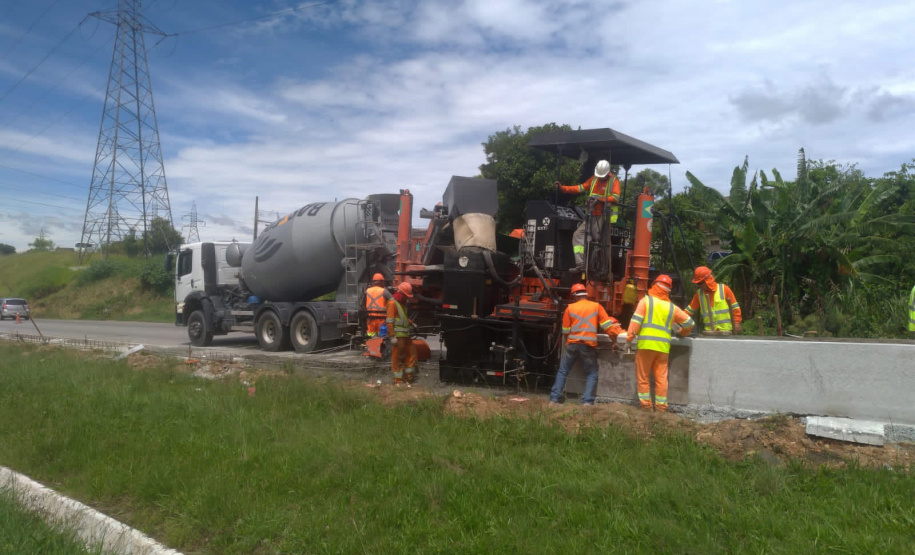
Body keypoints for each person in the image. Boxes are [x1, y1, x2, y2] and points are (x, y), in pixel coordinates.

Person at [626, 275, 694, 411]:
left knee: (643, 377)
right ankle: (661, 408)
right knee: (661, 379)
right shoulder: (672, 307)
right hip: (663, 348)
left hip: (646, 346)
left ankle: (646, 407)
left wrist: (629, 339)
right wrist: (682, 333)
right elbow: (690, 323)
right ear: (668, 290)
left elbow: (636, 322)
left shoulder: (646, 301)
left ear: (654, 285)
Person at [550, 283, 623, 405]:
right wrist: (614, 340)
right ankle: (587, 402)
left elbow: (565, 330)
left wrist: (570, 341)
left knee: (563, 371)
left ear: (574, 296)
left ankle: (554, 399)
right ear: (586, 294)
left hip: (572, 345)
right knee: (591, 373)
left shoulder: (570, 308)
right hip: (588, 346)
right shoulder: (596, 306)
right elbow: (607, 326)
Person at [555, 159, 621, 272]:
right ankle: (580, 265)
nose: (600, 178)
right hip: (591, 215)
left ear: (607, 173)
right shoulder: (594, 179)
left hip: (603, 216)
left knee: (598, 239)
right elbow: (580, 188)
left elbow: (616, 197)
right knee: (578, 235)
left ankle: (601, 267)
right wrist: (563, 188)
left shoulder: (613, 181)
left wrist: (599, 200)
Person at [685, 266, 742, 334]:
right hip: (709, 332)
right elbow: (689, 310)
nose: (699, 285)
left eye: (700, 283)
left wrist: (737, 322)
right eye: (697, 283)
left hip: (726, 331)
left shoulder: (724, 289)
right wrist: (678, 318)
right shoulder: (699, 294)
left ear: (707, 281)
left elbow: (735, 307)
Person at [386, 282, 417, 385]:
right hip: (398, 337)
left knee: (412, 355)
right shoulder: (392, 303)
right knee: (397, 358)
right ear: (400, 293)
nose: (407, 298)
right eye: (406, 296)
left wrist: (411, 323)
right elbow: (390, 321)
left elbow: (403, 318)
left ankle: (408, 379)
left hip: (406, 335)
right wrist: (392, 336)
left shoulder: (401, 304)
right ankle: (398, 381)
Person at [364, 273, 391, 338]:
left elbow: (362, 304)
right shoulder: (384, 291)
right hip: (381, 319)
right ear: (381, 281)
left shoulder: (367, 291)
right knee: (382, 337)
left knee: (372, 336)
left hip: (370, 318)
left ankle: (372, 343)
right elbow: (393, 302)